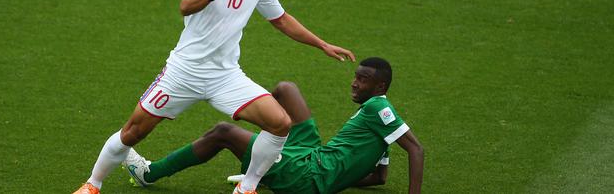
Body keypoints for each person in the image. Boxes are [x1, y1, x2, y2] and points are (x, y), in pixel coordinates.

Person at [73, 0, 355, 194]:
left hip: (225, 76)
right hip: (184, 72)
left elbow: (281, 20)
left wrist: (322, 44)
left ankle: (247, 188)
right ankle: (93, 185)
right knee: (133, 131)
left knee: (280, 123)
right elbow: (185, 5)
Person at [124, 57, 424, 193]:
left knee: (222, 132)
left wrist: (330, 182)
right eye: (356, 76)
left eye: (363, 80)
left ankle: (148, 174)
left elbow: (415, 149)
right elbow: (379, 178)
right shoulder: (383, 130)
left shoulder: (378, 107)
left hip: (307, 174)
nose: (354, 83)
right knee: (286, 89)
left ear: (380, 86)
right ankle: (263, 164)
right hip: (314, 155)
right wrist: (343, 179)